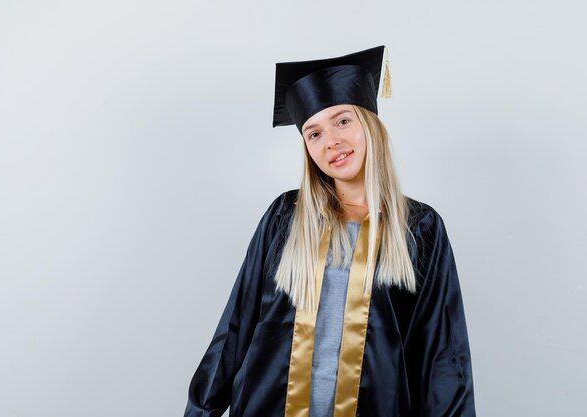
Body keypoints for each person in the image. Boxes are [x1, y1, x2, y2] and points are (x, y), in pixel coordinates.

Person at [183, 45, 476, 417]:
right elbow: (234, 332)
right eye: (314, 133)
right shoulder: (284, 218)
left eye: (342, 121)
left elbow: (442, 357)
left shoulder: (419, 228)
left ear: (369, 123)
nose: (331, 141)